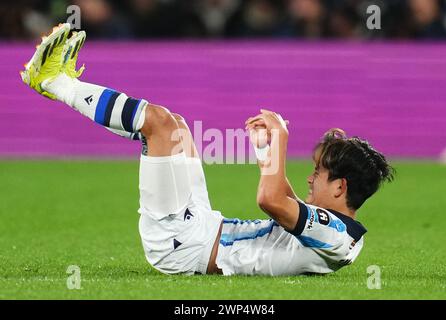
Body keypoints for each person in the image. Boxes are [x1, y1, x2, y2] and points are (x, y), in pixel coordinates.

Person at [21, 24, 394, 276]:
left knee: (160, 124)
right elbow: (287, 206)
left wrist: (279, 141)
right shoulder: (340, 234)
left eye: (320, 173)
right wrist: (266, 152)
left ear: (341, 187)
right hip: (203, 225)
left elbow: (271, 200)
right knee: (176, 127)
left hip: (184, 246)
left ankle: (54, 81)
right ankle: (67, 84)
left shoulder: (334, 233)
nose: (311, 177)